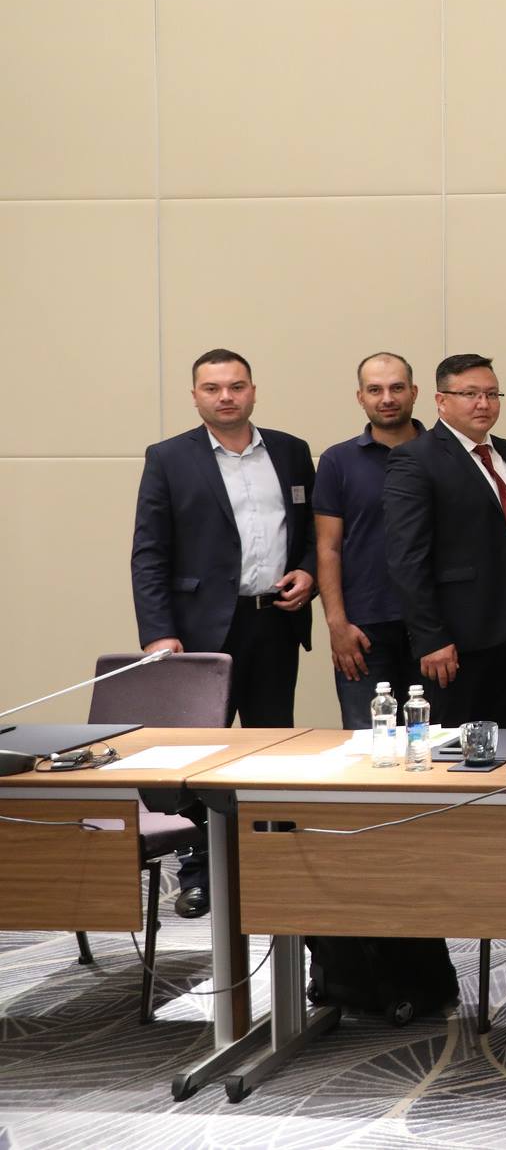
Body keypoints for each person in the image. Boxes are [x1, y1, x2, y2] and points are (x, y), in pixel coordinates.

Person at [131, 348, 318, 916]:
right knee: (197, 758)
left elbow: (313, 531)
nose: (226, 397)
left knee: (271, 747)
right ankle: (200, 874)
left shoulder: (290, 450)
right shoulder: (168, 457)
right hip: (197, 634)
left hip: (274, 621)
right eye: (212, 388)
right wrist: (158, 633)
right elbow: (149, 552)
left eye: (236, 386)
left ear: (253, 391)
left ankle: (269, 865)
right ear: (195, 396)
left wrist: (308, 571)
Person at [383, 353, 506, 729]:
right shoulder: (415, 460)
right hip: (456, 638)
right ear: (441, 400)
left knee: (504, 739)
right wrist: (430, 638)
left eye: (491, 394)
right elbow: (406, 558)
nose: (483, 403)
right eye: (470, 394)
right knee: (453, 750)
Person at [313, 352, 425, 728]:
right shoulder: (337, 461)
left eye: (397, 388)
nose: (387, 398)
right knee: (369, 744)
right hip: (363, 630)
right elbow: (328, 548)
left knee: (435, 742)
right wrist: (337, 625)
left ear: (414, 392)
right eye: (375, 390)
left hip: (433, 627)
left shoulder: (442, 454)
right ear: (360, 397)